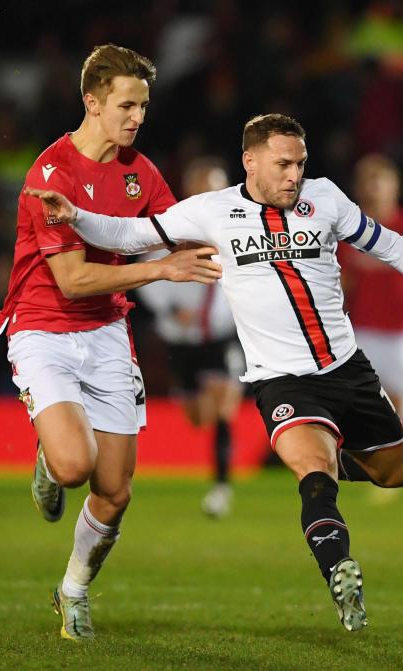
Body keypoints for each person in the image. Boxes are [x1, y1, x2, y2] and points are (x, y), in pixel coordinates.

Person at [26, 113, 403, 633]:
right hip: (280, 380)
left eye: (300, 163)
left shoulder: (326, 198)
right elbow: (130, 233)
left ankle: (331, 482)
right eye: (283, 163)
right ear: (250, 161)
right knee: (313, 474)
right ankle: (339, 570)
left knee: (394, 471)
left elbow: (393, 246)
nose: (294, 174)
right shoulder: (212, 211)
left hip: (347, 370)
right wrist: (77, 216)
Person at [0, 44, 221, 642]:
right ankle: (49, 453)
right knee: (74, 466)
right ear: (91, 102)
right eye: (126, 103)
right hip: (43, 329)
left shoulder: (140, 172)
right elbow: (72, 279)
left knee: (114, 493)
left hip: (107, 334)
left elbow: (181, 233)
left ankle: (72, 591)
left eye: (143, 104)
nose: (137, 116)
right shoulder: (51, 174)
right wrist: (160, 270)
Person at [137, 157, 244, 518]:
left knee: (223, 405)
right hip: (181, 339)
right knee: (198, 416)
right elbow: (144, 272)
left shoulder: (242, 229)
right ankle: (219, 481)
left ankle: (221, 488)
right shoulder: (171, 229)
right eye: (200, 186)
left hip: (222, 336)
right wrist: (169, 311)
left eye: (213, 187)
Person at [338, 154, 403, 448]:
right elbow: (343, 279)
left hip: (401, 331)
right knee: (365, 397)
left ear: (394, 186)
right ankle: (380, 456)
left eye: (379, 181)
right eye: (366, 181)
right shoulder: (350, 231)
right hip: (364, 329)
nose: (373, 188)